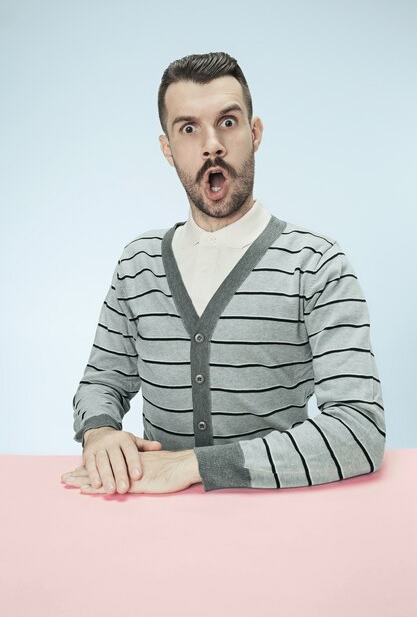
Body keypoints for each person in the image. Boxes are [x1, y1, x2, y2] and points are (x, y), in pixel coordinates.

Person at [61, 51, 386, 496]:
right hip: (150, 529)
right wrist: (99, 432)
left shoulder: (317, 264)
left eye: (228, 122)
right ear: (168, 149)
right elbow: (102, 381)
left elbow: (359, 432)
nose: (211, 144)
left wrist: (195, 466)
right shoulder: (138, 263)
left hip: (278, 521)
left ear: (254, 134)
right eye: (189, 128)